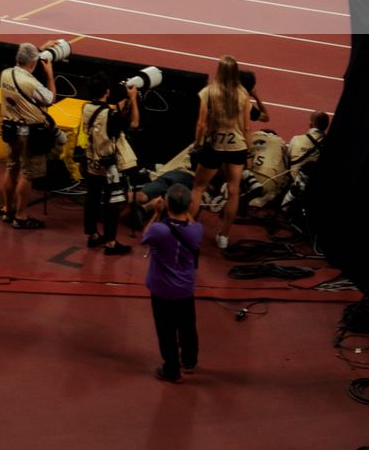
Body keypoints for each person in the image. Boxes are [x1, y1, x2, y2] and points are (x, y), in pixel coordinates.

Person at [189, 53, 253, 249]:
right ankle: (224, 237)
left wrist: (197, 143)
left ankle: (187, 233)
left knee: (198, 188)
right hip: (237, 146)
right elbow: (246, 127)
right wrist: (248, 151)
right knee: (234, 191)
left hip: (215, 145)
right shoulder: (243, 95)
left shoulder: (208, 92)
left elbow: (201, 124)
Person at [143, 185, 203, 382]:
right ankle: (189, 361)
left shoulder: (159, 230)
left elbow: (146, 235)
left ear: (167, 203)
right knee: (187, 326)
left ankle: (172, 370)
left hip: (162, 290)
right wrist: (185, 210)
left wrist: (157, 213)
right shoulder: (196, 230)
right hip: (185, 289)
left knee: (166, 331)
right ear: (189, 205)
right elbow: (190, 222)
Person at [0, 42, 58, 229]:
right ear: (33, 64)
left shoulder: (5, 74)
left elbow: (26, 63)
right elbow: (50, 98)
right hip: (29, 134)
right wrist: (49, 74)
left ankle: (8, 210)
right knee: (27, 174)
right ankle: (21, 215)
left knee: (11, 168)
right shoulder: (31, 83)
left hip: (10, 128)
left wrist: (38, 51)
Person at [80, 72, 140, 254]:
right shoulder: (110, 115)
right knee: (112, 204)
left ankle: (93, 235)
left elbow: (104, 115)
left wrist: (120, 106)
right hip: (109, 167)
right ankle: (111, 242)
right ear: (107, 91)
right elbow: (135, 123)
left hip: (92, 162)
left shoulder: (86, 108)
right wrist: (133, 99)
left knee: (92, 199)